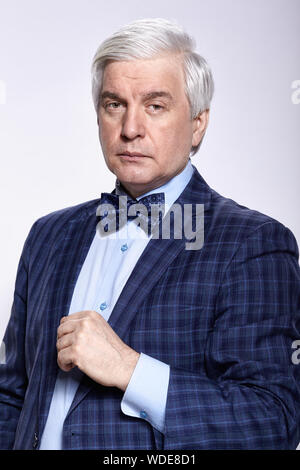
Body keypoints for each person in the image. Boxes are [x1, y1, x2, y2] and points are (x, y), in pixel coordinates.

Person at [0, 17, 300, 450]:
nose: (130, 128)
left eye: (155, 106)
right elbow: (12, 395)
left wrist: (129, 369)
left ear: (198, 124)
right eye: (114, 104)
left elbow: (273, 420)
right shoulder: (48, 235)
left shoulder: (252, 244)